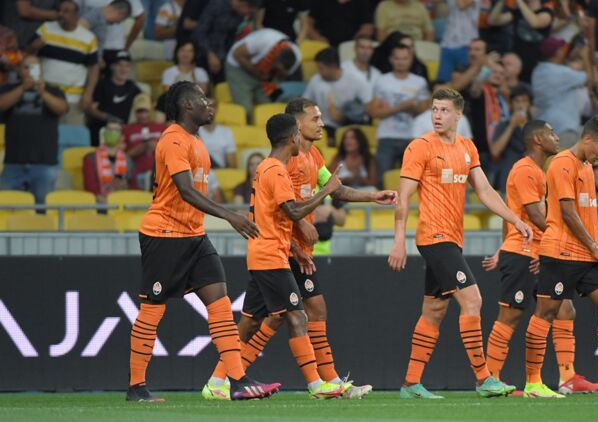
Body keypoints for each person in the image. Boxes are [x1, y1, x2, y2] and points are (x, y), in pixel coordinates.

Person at [205, 98, 398, 399]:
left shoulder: (312, 156)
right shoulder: (284, 164)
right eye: (315, 118)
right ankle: (317, 383)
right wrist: (297, 240)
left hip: (287, 249)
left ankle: (224, 379)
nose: (321, 123)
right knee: (291, 315)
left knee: (282, 315)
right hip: (281, 250)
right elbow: (285, 210)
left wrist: (372, 197)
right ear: (296, 126)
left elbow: (335, 189)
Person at [127, 80, 276, 402]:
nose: (210, 104)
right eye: (203, 99)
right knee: (152, 310)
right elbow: (186, 191)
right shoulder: (173, 140)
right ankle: (136, 387)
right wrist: (230, 215)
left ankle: (237, 380)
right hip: (164, 235)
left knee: (220, 302)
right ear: (187, 105)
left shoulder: (195, 140)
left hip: (194, 235)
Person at [387, 87, 533, 399]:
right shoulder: (420, 147)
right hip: (434, 237)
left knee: (434, 310)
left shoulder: (467, 147)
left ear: (458, 114)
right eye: (434, 109)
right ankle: (484, 379)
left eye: (444, 110)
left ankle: (411, 384)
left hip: (453, 239)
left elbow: (485, 190)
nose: (437, 115)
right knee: (473, 300)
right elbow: (404, 197)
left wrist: (515, 220)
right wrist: (399, 239)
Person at [204, 112, 347, 400]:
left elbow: (272, 218)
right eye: (298, 134)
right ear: (292, 137)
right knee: (296, 315)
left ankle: (216, 381)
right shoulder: (277, 171)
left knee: (250, 322)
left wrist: (294, 249)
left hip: (266, 252)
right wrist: (327, 191)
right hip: (271, 257)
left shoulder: (264, 167)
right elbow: (293, 212)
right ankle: (316, 385)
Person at [523, 114, 598, 398]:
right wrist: (595, 247)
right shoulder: (562, 164)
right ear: (587, 139)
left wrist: (592, 248)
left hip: (586, 255)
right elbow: (567, 212)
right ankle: (533, 383)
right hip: (561, 252)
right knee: (545, 314)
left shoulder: (587, 167)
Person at [483, 120, 598, 394]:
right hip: (524, 253)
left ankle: (567, 378)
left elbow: (511, 215)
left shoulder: (539, 171)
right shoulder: (525, 170)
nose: (556, 137)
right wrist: (557, 241)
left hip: (541, 252)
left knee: (565, 310)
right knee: (510, 316)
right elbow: (535, 215)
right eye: (551, 133)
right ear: (537, 139)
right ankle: (490, 379)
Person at [0, 55, 67, 204]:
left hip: (44, 162)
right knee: (6, 207)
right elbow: (2, 105)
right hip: (13, 162)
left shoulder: (53, 90)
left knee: (43, 207)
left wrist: (42, 92)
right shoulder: (8, 88)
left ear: (41, 70)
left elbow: (61, 109)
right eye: (26, 67)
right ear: (20, 70)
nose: (30, 71)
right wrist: (22, 88)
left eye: (34, 67)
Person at [32, 0, 98, 126]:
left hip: (72, 99)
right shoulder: (45, 28)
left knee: (71, 135)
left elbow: (94, 68)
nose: (61, 14)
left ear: (76, 15)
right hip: (45, 94)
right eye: (59, 11)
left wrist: (88, 94)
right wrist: (33, 47)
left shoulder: (89, 38)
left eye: (66, 11)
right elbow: (29, 56)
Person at [370, 44, 430, 184]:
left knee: (413, 179)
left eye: (404, 58)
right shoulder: (382, 80)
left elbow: (424, 111)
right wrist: (401, 107)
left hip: (413, 136)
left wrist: (411, 107)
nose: (401, 62)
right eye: (397, 58)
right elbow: (374, 112)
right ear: (391, 59)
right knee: (383, 181)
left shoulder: (420, 82)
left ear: (411, 59)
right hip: (386, 136)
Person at [225, 27, 301, 123]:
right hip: (239, 67)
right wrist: (258, 74)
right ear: (274, 59)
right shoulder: (264, 40)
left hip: (264, 74)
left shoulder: (296, 59)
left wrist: (269, 79)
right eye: (277, 67)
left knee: (266, 109)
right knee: (246, 111)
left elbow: (279, 77)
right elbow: (237, 54)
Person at [532, 37, 592, 148]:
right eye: (561, 49)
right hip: (563, 129)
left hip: (544, 130)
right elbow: (589, 79)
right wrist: (585, 56)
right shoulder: (560, 72)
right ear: (557, 52)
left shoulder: (537, 71)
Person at [302, 47, 373, 136]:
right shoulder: (315, 80)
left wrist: (345, 115)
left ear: (333, 66)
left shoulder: (356, 80)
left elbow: (369, 107)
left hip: (351, 125)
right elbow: (305, 104)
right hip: (325, 125)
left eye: (321, 68)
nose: (318, 71)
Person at [194, 0, 263, 81]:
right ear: (243, 4)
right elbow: (200, 32)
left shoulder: (240, 14)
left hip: (225, 59)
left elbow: (232, 37)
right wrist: (210, 54)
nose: (248, 15)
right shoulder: (217, 5)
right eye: (249, 12)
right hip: (204, 56)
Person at [466, 60, 510, 186]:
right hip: (481, 150)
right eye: (494, 72)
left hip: (500, 152)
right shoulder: (481, 92)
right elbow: (474, 89)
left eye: (501, 73)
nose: (498, 75)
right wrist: (485, 69)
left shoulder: (503, 98)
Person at [488, 0, 555, 82]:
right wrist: (501, 2)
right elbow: (493, 21)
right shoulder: (519, 12)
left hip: (534, 66)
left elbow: (535, 22)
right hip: (515, 64)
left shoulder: (547, 13)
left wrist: (519, 1)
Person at [85, 50, 141, 146]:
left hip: (123, 133)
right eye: (119, 65)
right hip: (101, 131)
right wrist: (109, 118)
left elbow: (144, 105)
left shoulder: (132, 87)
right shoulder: (102, 85)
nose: (123, 69)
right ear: (112, 66)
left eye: (127, 66)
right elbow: (91, 110)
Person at [488, 84, 532, 193]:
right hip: (508, 180)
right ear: (511, 104)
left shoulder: (537, 126)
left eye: (524, 101)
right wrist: (511, 126)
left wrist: (524, 126)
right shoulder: (503, 126)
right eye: (517, 101)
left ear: (529, 104)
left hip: (532, 180)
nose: (520, 105)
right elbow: (495, 151)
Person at [77, 0, 145, 63]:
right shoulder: (96, 14)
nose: (118, 23)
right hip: (86, 48)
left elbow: (140, 18)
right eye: (120, 20)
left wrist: (126, 48)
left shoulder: (103, 21)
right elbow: (78, 23)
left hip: (114, 47)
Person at [123, 94, 168, 189]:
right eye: (139, 111)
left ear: (151, 110)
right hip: (136, 173)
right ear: (134, 112)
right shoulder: (127, 130)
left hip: (160, 174)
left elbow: (172, 151)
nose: (143, 115)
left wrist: (158, 147)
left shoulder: (162, 128)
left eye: (145, 111)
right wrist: (137, 150)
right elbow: (122, 156)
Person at [83, 121, 134, 202]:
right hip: (99, 202)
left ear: (122, 137)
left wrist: (125, 186)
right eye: (109, 129)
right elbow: (90, 186)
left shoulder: (128, 160)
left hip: (122, 201)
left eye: (116, 130)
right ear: (104, 133)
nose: (112, 133)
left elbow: (132, 184)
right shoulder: (90, 158)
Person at [437, 0, 480, 83]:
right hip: (447, 43)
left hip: (467, 44)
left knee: (464, 81)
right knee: (442, 82)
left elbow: (461, 5)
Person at [307, 0, 374, 47]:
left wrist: (354, 42)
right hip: (323, 45)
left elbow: (368, 27)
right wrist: (317, 38)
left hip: (351, 46)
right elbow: (308, 23)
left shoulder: (362, 2)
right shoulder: (320, 1)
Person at [198, 97, 237, 168]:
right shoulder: (194, 131)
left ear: (217, 108)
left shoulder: (226, 132)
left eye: (212, 106)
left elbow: (232, 165)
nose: (209, 109)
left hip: (220, 172)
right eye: (206, 106)